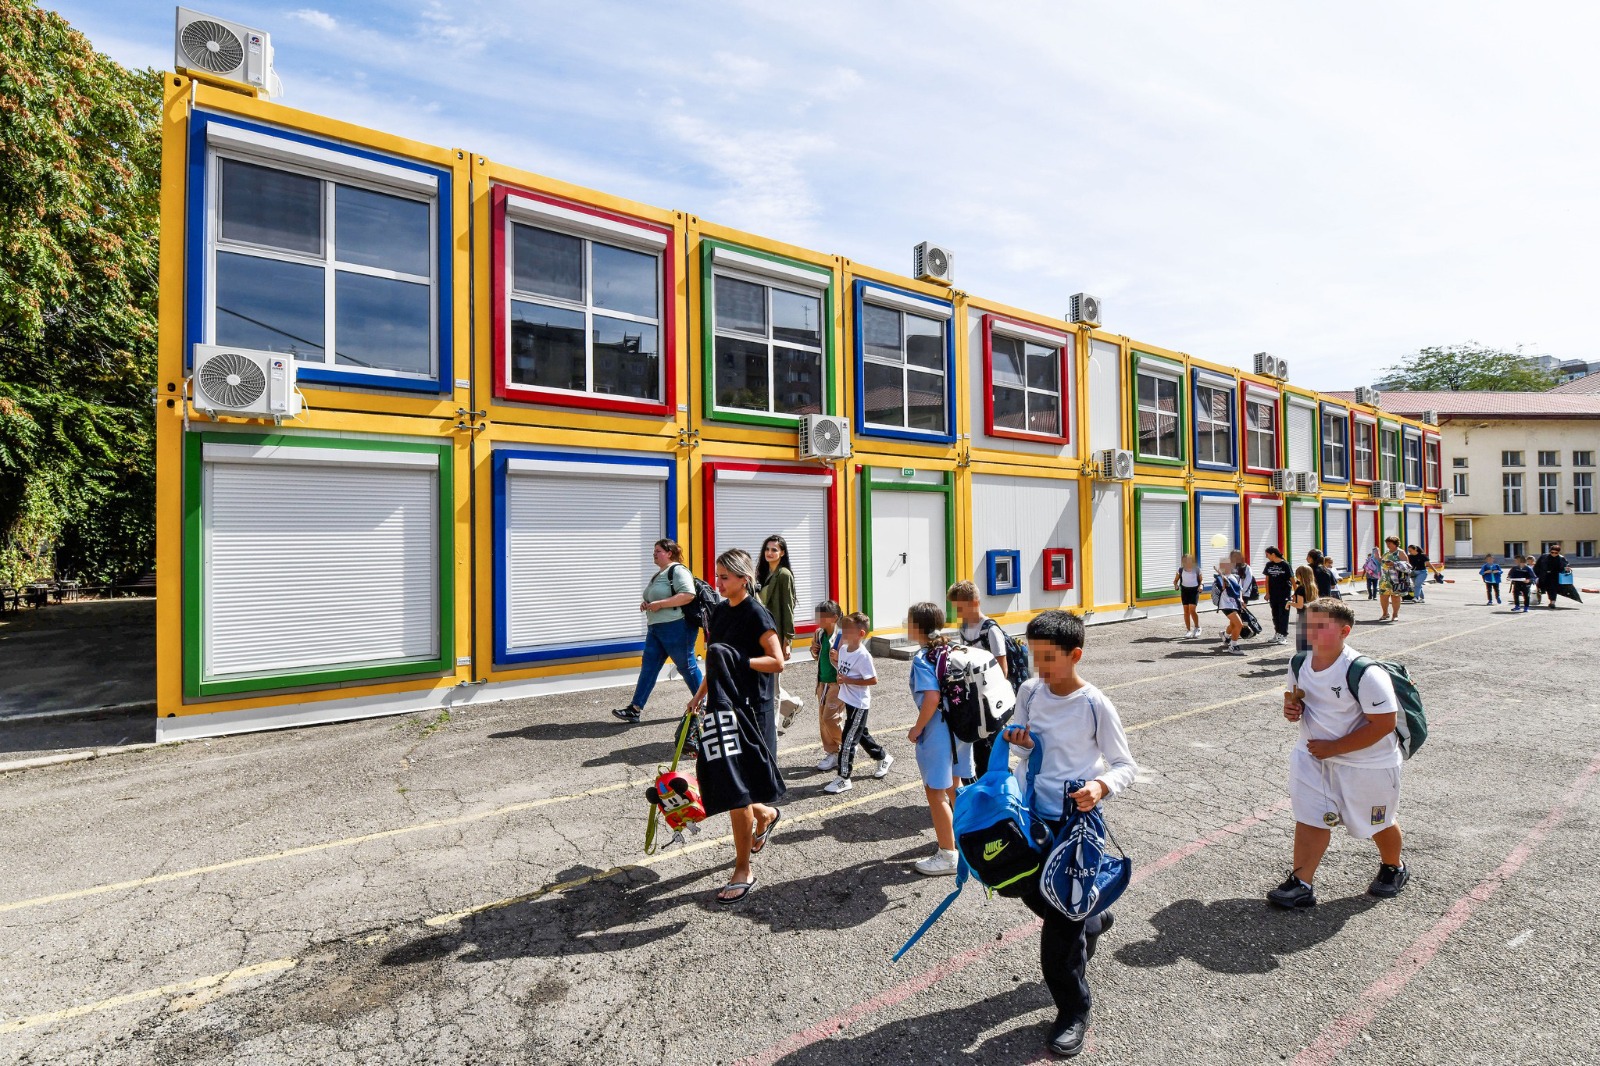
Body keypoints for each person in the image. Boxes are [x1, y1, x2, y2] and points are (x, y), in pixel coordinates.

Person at [1002, 610, 1137, 1058]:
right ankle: (1091, 919)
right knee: (1025, 888)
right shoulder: (1029, 690)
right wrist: (1019, 739)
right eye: (1033, 655)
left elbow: (1125, 765)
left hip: (1074, 826)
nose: (1039, 666)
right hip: (1030, 819)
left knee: (1059, 935)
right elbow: (1023, 744)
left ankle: (1074, 1009)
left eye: (1049, 658)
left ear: (1075, 655)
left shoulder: (1094, 704)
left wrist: (1100, 786)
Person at [1269, 597, 1408, 909]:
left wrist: (1334, 748)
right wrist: (1292, 709)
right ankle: (1301, 884)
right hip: (1313, 759)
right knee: (1310, 818)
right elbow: (1295, 698)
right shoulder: (1299, 662)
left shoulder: (1365, 672)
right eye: (1307, 624)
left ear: (1345, 631)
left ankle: (1393, 867)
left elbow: (1384, 723)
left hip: (1367, 765)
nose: (1310, 631)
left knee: (1378, 822)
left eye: (1321, 626)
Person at [687, 548, 786, 905]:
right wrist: (700, 694)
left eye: (725, 577)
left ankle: (743, 870)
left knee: (739, 791)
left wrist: (740, 660)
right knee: (733, 786)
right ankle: (767, 814)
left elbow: (777, 661)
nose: (718, 582)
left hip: (753, 711)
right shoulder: (718, 611)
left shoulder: (757, 613)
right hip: (723, 709)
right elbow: (717, 660)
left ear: (744, 579)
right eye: (717, 576)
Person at [905, 600, 976, 876]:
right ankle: (969, 841)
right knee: (954, 787)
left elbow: (932, 698)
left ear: (916, 627)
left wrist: (917, 728)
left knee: (935, 792)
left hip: (938, 731)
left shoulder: (923, 658)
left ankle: (948, 855)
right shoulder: (951, 648)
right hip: (961, 728)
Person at [613, 540, 704, 724]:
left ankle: (706, 705)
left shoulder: (677, 571)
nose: (654, 553)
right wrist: (647, 604)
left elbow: (688, 595)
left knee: (687, 667)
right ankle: (634, 709)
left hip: (676, 627)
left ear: (669, 553)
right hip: (656, 628)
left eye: (658, 551)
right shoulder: (659, 574)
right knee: (649, 668)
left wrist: (660, 604)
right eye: (654, 550)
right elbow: (658, 596)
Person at [823, 612, 893, 793]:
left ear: (861, 634)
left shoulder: (863, 656)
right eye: (844, 628)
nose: (844, 632)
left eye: (848, 630)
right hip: (849, 700)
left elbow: (872, 680)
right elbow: (842, 670)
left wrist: (847, 680)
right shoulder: (844, 650)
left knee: (848, 741)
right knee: (860, 734)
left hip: (859, 703)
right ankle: (882, 757)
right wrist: (836, 663)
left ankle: (844, 778)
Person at [949, 580, 1012, 774]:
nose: (958, 613)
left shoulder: (990, 630)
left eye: (960, 608)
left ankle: (998, 782)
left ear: (974, 603)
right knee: (978, 748)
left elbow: (1002, 669)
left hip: (990, 700)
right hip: (975, 700)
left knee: (991, 749)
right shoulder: (964, 628)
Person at [757, 535, 805, 731]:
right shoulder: (762, 574)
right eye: (767, 549)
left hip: (776, 637)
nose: (769, 553)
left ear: (782, 553)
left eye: (774, 550)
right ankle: (792, 706)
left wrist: (788, 641)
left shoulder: (784, 575)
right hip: (760, 635)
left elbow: (788, 609)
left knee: (773, 684)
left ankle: (772, 730)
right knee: (764, 681)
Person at [811, 601, 847, 772]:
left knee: (830, 718)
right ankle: (833, 753)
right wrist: (814, 650)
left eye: (822, 616)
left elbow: (851, 660)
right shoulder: (819, 633)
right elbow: (816, 656)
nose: (818, 619)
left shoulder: (843, 636)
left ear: (834, 618)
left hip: (837, 684)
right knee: (823, 720)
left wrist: (839, 657)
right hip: (822, 682)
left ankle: (846, 747)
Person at [1211, 558, 1246, 656]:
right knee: (1239, 624)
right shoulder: (1219, 578)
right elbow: (1224, 587)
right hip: (1226, 604)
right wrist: (1221, 576)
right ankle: (1233, 646)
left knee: (1233, 624)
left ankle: (1225, 635)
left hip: (1236, 604)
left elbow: (1239, 590)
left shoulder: (1236, 577)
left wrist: (1241, 599)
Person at [1262, 547, 1294, 646]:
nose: (1266, 557)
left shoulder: (1285, 565)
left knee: (1283, 615)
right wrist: (1267, 593)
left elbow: (1292, 579)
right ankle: (1277, 633)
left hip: (1284, 594)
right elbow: (1267, 580)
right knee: (1275, 615)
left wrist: (1296, 592)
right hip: (1273, 594)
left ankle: (1283, 635)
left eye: (1267, 554)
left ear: (1273, 554)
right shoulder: (1269, 565)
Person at [1173, 554, 1204, 639]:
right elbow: (1175, 580)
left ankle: (1197, 627)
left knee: (1192, 610)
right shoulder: (1180, 570)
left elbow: (1201, 580)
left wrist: (1201, 586)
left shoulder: (1197, 569)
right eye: (1185, 561)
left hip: (1194, 591)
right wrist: (1176, 585)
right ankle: (1188, 630)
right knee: (1186, 611)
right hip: (1185, 591)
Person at [1378, 537, 1408, 622]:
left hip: (1396, 579)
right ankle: (1385, 613)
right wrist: (1377, 555)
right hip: (1385, 578)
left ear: (1395, 543)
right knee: (1383, 597)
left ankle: (1395, 614)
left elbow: (1406, 565)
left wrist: (1394, 564)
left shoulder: (1400, 552)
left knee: (1395, 597)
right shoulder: (1386, 553)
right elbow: (1381, 562)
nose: (1388, 545)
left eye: (1389, 543)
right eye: (1387, 543)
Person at [1534, 544, 1572, 610]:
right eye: (1552, 552)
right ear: (1550, 551)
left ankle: (1552, 602)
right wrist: (1536, 575)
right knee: (1541, 588)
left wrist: (1566, 570)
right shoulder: (1544, 557)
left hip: (1555, 576)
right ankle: (1539, 599)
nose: (1554, 554)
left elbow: (1566, 567)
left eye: (1556, 553)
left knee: (1552, 589)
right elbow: (1537, 566)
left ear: (1558, 552)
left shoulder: (1561, 558)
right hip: (1544, 575)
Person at [1292, 565, 1317, 653]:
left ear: (1300, 575)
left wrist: (1289, 603)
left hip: (1303, 615)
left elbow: (1300, 605)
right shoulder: (1313, 586)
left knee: (1302, 640)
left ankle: (1302, 657)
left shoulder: (1300, 588)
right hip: (1312, 614)